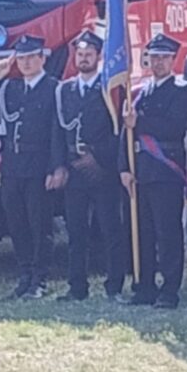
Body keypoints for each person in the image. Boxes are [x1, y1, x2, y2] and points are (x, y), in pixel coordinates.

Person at [119, 32, 187, 309]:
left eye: (164, 58)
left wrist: (139, 121)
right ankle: (145, 286)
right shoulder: (139, 92)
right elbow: (125, 135)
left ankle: (169, 289)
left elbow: (174, 127)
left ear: (174, 60)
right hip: (140, 171)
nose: (158, 62)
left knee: (167, 234)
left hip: (165, 170)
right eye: (154, 57)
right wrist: (124, 168)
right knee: (143, 233)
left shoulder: (181, 90)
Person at [0, 35, 67, 300]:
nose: (25, 63)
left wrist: (56, 167)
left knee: (39, 223)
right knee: (17, 222)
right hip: (13, 164)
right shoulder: (9, 88)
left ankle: (39, 278)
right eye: (20, 58)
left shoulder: (54, 87)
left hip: (38, 164)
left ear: (42, 58)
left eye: (31, 57)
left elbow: (57, 131)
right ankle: (25, 274)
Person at [56, 31, 126, 302]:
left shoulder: (111, 89)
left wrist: (97, 157)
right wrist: (60, 165)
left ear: (99, 57)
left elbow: (118, 131)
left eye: (88, 55)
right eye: (79, 55)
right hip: (75, 170)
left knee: (111, 230)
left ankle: (115, 286)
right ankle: (77, 287)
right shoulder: (65, 89)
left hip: (102, 170)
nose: (83, 59)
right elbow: (58, 131)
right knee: (76, 231)